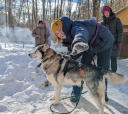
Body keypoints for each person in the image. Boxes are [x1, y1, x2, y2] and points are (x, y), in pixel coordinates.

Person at [51, 17, 114, 103]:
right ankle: (76, 93)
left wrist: (78, 43)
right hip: (89, 46)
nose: (60, 34)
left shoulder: (75, 26)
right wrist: (69, 57)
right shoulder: (67, 40)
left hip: (104, 41)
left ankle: (103, 93)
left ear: (64, 26)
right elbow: (74, 54)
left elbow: (81, 33)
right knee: (82, 69)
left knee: (102, 70)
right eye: (57, 33)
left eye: (60, 29)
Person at [101, 6, 123, 72]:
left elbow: (120, 31)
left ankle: (114, 72)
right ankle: (105, 71)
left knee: (113, 58)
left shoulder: (117, 20)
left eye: (107, 12)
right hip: (106, 43)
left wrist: (119, 41)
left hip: (114, 42)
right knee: (105, 58)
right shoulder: (102, 23)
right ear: (103, 13)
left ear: (110, 12)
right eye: (105, 12)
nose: (106, 14)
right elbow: (101, 34)